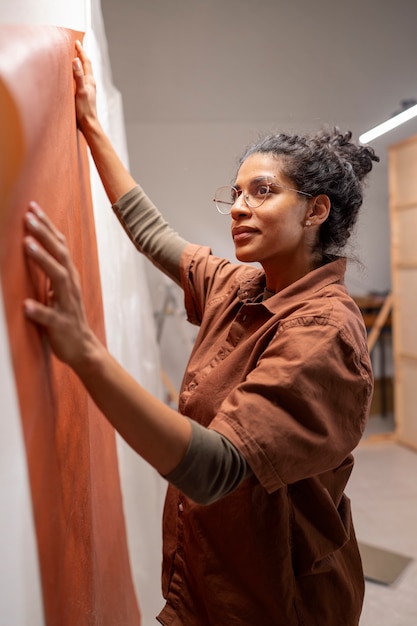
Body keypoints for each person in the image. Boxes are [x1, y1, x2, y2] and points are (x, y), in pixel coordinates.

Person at [23, 41, 379, 626]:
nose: (239, 207)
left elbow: (214, 469)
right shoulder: (241, 287)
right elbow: (150, 232)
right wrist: (89, 124)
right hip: (207, 582)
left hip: (275, 604)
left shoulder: (324, 332)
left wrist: (84, 351)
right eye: (236, 193)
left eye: (262, 192)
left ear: (316, 211)